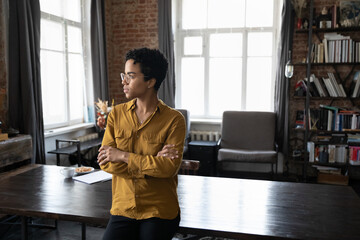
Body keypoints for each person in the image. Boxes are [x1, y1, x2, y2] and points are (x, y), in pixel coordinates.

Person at [97, 47, 186, 240]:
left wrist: (123, 156)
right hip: (123, 208)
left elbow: (168, 169)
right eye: (124, 75)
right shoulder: (116, 115)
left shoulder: (174, 120)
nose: (123, 81)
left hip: (159, 210)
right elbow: (105, 163)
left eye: (130, 76)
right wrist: (153, 163)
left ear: (150, 81)